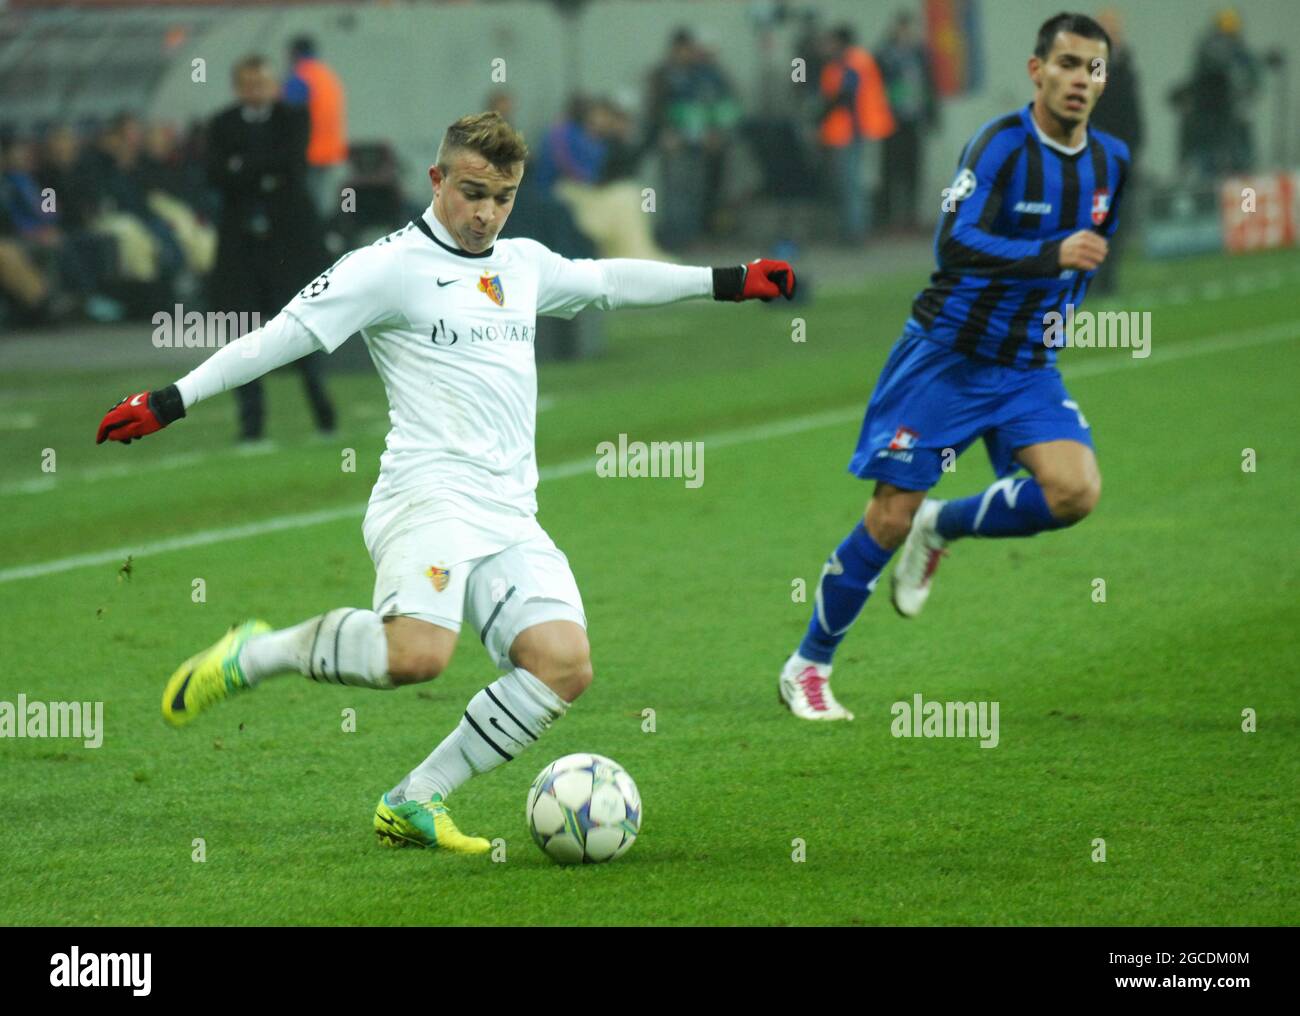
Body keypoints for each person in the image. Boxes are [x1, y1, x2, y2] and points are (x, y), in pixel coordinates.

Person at [94, 111, 796, 853]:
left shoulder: (522, 264)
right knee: (417, 656)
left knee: (563, 665)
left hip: (509, 511)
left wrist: (731, 280)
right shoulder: (387, 267)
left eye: (504, 197)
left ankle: (413, 799)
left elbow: (608, 281)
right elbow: (282, 335)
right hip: (425, 496)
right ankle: (257, 652)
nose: (487, 213)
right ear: (436, 180)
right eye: (472, 193)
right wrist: (169, 400)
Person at [778, 13, 1128, 720]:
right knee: (888, 517)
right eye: (1066, 63)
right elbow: (953, 243)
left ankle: (944, 525)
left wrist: (1051, 323)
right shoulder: (1000, 146)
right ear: (1037, 70)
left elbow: (1086, 264)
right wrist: (1049, 254)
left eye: (1092, 68)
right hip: (947, 358)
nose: (1078, 79)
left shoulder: (1112, 161)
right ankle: (808, 665)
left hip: (1026, 368)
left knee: (1074, 491)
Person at [207, 54, 336, 443]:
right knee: (240, 329)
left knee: (298, 324)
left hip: (290, 242)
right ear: (237, 88)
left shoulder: (293, 118)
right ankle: (251, 428)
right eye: (247, 84)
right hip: (241, 244)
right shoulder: (221, 123)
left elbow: (292, 165)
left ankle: (323, 416)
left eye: (261, 83)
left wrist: (242, 167)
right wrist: (263, 172)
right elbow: (215, 174)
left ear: (274, 85)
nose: (255, 90)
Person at [817, 25, 896, 244]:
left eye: (829, 41)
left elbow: (844, 96)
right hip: (845, 133)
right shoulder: (838, 64)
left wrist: (820, 115)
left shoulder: (854, 63)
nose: (825, 46)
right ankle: (853, 229)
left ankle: (855, 232)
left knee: (851, 184)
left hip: (853, 133)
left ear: (840, 42)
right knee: (850, 183)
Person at [875, 11, 938, 232]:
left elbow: (928, 86)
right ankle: (889, 217)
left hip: (913, 119)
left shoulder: (919, 55)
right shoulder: (884, 55)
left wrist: (931, 114)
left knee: (913, 169)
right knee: (891, 169)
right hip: (891, 121)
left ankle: (911, 215)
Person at [282, 35, 349, 217]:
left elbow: (287, 114)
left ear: (294, 53)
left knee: (304, 202)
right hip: (329, 149)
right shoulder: (328, 76)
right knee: (320, 200)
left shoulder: (300, 77)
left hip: (307, 150)